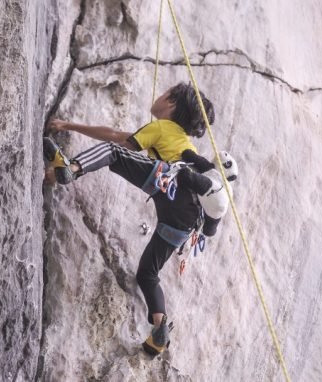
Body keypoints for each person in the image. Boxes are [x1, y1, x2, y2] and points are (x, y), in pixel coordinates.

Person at [44, 82, 238, 355]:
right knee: (148, 273)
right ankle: (159, 331)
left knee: (113, 153)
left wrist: (69, 130)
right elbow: (115, 133)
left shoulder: (162, 128)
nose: (158, 95)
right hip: (188, 221)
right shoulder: (182, 142)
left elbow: (116, 142)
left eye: (164, 93)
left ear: (170, 103)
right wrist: (68, 126)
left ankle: (71, 167)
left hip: (172, 186)